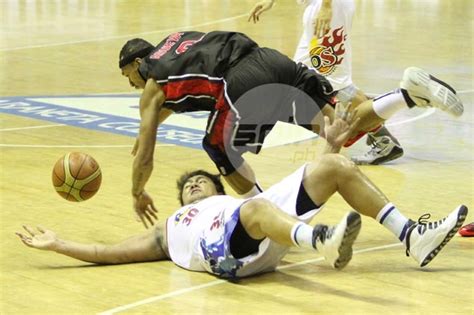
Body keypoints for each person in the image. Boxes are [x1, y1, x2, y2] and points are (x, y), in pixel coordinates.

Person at [16, 114, 468, 278]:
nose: (193, 185)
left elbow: (277, 194)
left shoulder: (241, 199)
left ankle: (411, 234)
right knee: (255, 209)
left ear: (216, 187)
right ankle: (319, 241)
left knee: (334, 166)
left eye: (200, 181)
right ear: (185, 204)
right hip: (226, 254)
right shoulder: (172, 229)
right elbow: (107, 252)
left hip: (257, 226)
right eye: (187, 187)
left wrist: (330, 145)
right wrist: (58, 244)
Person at [118, 30, 463, 228]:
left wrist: (136, 191)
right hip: (272, 61)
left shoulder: (152, 84)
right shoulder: (174, 43)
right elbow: (179, 92)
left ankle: (265, 216)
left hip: (243, 81)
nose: (132, 85)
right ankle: (406, 94)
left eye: (128, 77)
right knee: (339, 129)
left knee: (218, 147)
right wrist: (144, 128)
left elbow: (146, 155)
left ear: (137, 64)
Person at [248, 0, 404, 165]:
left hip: (329, 7)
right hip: (316, 6)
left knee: (333, 83)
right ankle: (381, 132)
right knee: (302, 74)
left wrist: (327, 6)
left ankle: (400, 101)